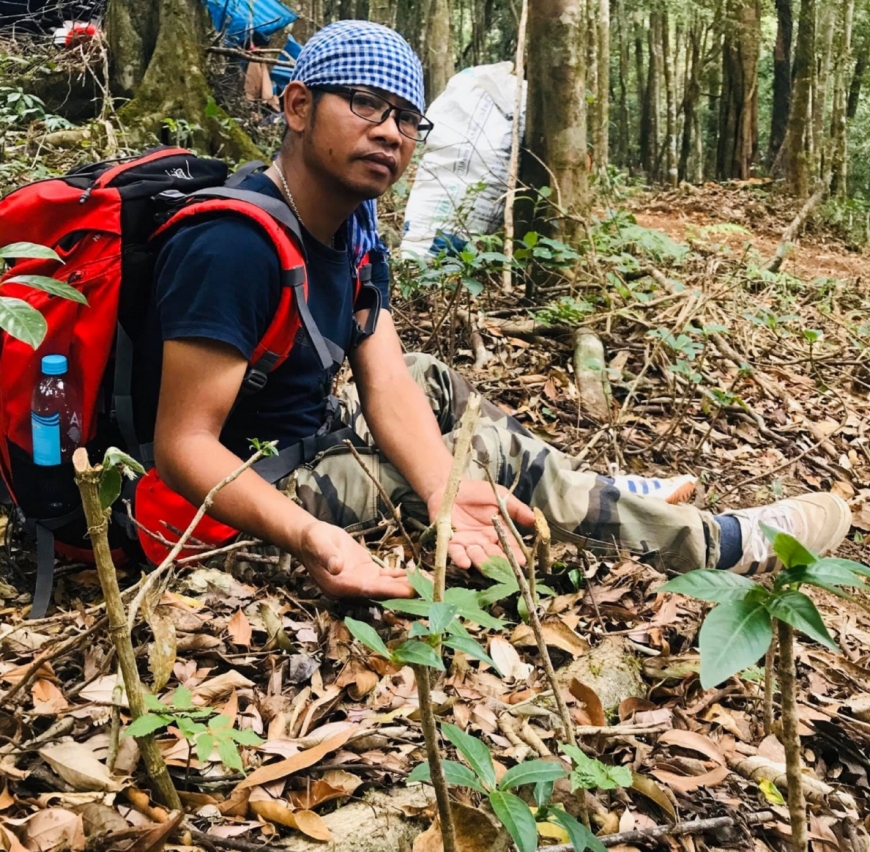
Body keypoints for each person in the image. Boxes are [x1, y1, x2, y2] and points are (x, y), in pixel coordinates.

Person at [132, 21, 852, 601]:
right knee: (483, 455)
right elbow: (185, 447)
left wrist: (444, 497)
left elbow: (386, 382)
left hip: (296, 438)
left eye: (408, 117)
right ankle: (715, 543)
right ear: (296, 107)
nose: (390, 131)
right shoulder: (233, 246)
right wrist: (320, 537)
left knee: (431, 382)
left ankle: (595, 494)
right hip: (221, 501)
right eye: (364, 104)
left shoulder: (352, 231)